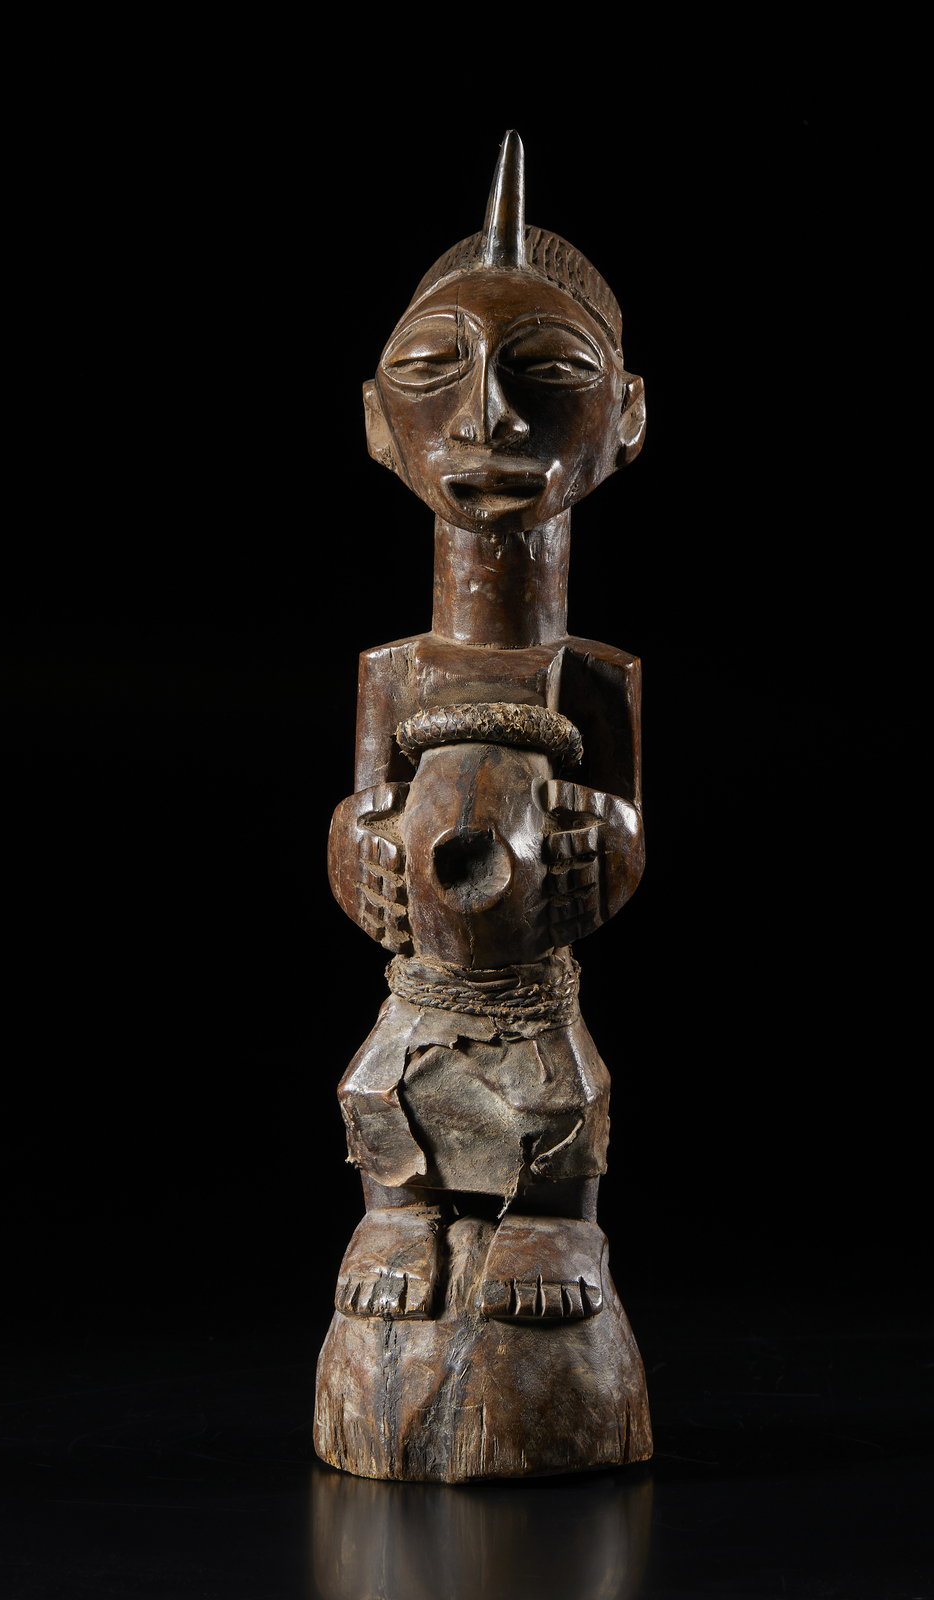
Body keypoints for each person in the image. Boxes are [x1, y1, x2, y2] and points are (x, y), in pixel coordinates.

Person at [327, 131, 647, 1324]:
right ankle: (397, 1211)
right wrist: (359, 855)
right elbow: (360, 810)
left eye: (547, 370)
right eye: (431, 370)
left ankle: (552, 1226)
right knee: (383, 1085)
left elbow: (628, 827)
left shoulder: (592, 673)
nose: (486, 417)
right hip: (428, 970)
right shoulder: (396, 671)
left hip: (528, 977)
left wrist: (598, 848)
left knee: (557, 1091)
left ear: (625, 418)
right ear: (377, 421)